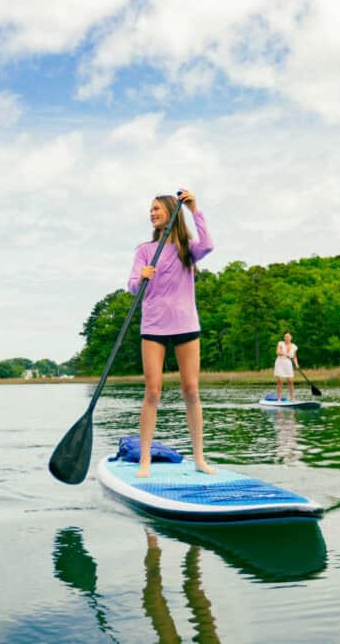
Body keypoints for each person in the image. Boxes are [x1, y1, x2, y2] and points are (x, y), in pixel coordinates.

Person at [128, 189, 215, 478]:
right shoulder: (143, 250)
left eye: (157, 209)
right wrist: (142, 277)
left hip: (186, 325)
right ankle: (144, 461)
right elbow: (131, 285)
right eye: (150, 209)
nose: (152, 213)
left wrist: (194, 209)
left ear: (170, 211)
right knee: (152, 392)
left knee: (191, 390)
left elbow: (209, 245)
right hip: (153, 326)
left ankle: (200, 459)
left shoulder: (186, 247)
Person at [274, 331, 299, 401]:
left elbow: (294, 357)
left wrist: (296, 364)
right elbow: (277, 352)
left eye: (288, 336)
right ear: (284, 338)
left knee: (291, 381)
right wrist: (283, 353)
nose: (287, 338)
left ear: (291, 337)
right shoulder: (280, 343)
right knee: (280, 381)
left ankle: (292, 398)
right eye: (285, 337)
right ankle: (279, 399)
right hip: (280, 362)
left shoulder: (294, 346)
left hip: (288, 364)